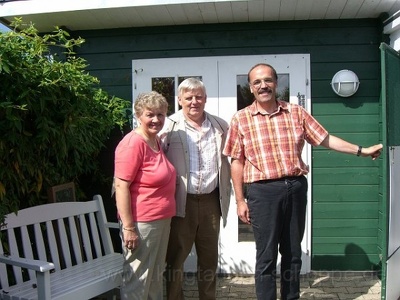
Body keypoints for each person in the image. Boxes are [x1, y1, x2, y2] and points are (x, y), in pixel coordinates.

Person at [223, 63, 383, 300]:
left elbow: (325, 139)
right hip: (262, 192)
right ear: (251, 87)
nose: (263, 86)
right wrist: (239, 199)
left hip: (295, 188)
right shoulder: (241, 119)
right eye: (257, 82)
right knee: (266, 256)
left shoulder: (296, 112)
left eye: (267, 80)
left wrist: (362, 150)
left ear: (276, 83)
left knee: (292, 253)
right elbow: (236, 161)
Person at [160, 77, 231, 300]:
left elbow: (233, 159)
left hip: (211, 200)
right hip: (182, 201)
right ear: (179, 99)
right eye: (188, 97)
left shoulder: (220, 126)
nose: (194, 101)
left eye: (198, 97)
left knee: (209, 257)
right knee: (176, 257)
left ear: (205, 99)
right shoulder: (168, 127)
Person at [114, 91, 176, 300]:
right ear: (139, 115)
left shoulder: (155, 140)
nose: (156, 120)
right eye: (150, 114)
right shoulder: (133, 143)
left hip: (160, 220)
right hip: (142, 223)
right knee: (138, 280)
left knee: (155, 277)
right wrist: (129, 228)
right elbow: (121, 186)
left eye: (160, 114)